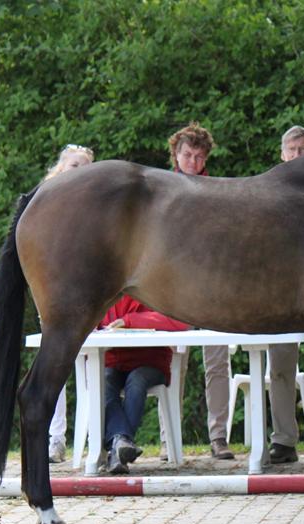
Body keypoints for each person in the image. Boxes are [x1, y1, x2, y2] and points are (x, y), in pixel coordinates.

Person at [168, 121, 234, 460]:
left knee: (217, 364)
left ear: (205, 158)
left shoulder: (218, 190)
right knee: (170, 362)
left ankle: (218, 436)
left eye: (198, 156)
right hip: (171, 287)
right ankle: (170, 441)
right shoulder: (160, 191)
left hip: (212, 286)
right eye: (186, 155)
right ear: (175, 155)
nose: (192, 162)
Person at [266, 125, 304, 463]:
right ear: (282, 154)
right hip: (280, 294)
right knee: (280, 369)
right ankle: (284, 440)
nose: (298, 155)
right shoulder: (269, 189)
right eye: (292, 150)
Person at [42, 144, 95, 463]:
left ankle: (93, 441)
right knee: (56, 366)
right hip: (57, 297)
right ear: (61, 169)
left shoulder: (97, 208)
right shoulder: (46, 204)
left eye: (87, 166)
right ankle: (55, 439)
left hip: (89, 298)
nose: (81, 171)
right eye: (76, 166)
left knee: (91, 369)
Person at [98, 296, 190, 474]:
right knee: (103, 381)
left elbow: (179, 321)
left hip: (150, 363)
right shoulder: (103, 292)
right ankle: (121, 444)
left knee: (136, 380)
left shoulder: (152, 287)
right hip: (112, 363)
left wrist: (129, 321)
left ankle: (117, 446)